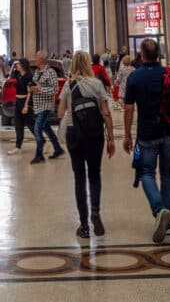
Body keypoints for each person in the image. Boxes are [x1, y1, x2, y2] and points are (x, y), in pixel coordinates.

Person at [123, 37, 170, 245]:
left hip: (147, 134)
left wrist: (127, 135)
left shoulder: (135, 77)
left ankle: (159, 209)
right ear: (158, 55)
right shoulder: (168, 74)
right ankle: (168, 222)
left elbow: (129, 109)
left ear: (142, 55)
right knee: (168, 175)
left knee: (145, 171)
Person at [58, 50, 115, 239]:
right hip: (94, 133)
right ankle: (96, 212)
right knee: (95, 175)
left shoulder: (68, 85)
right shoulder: (97, 84)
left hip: (74, 134)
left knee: (79, 178)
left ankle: (84, 226)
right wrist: (111, 138)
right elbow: (106, 112)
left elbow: (60, 113)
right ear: (89, 64)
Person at [27, 50, 65, 164]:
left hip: (46, 105)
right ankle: (58, 149)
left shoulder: (51, 72)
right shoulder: (37, 72)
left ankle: (39, 155)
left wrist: (40, 89)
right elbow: (34, 85)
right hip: (37, 105)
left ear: (42, 60)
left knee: (37, 129)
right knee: (46, 128)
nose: (35, 59)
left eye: (36, 58)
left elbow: (55, 89)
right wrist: (31, 88)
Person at [8, 57, 34, 155]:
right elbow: (10, 76)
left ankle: (42, 142)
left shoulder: (29, 76)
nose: (16, 65)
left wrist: (26, 106)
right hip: (18, 101)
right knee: (18, 126)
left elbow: (29, 92)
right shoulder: (18, 75)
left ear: (23, 65)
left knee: (30, 124)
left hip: (25, 102)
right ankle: (18, 147)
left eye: (18, 64)